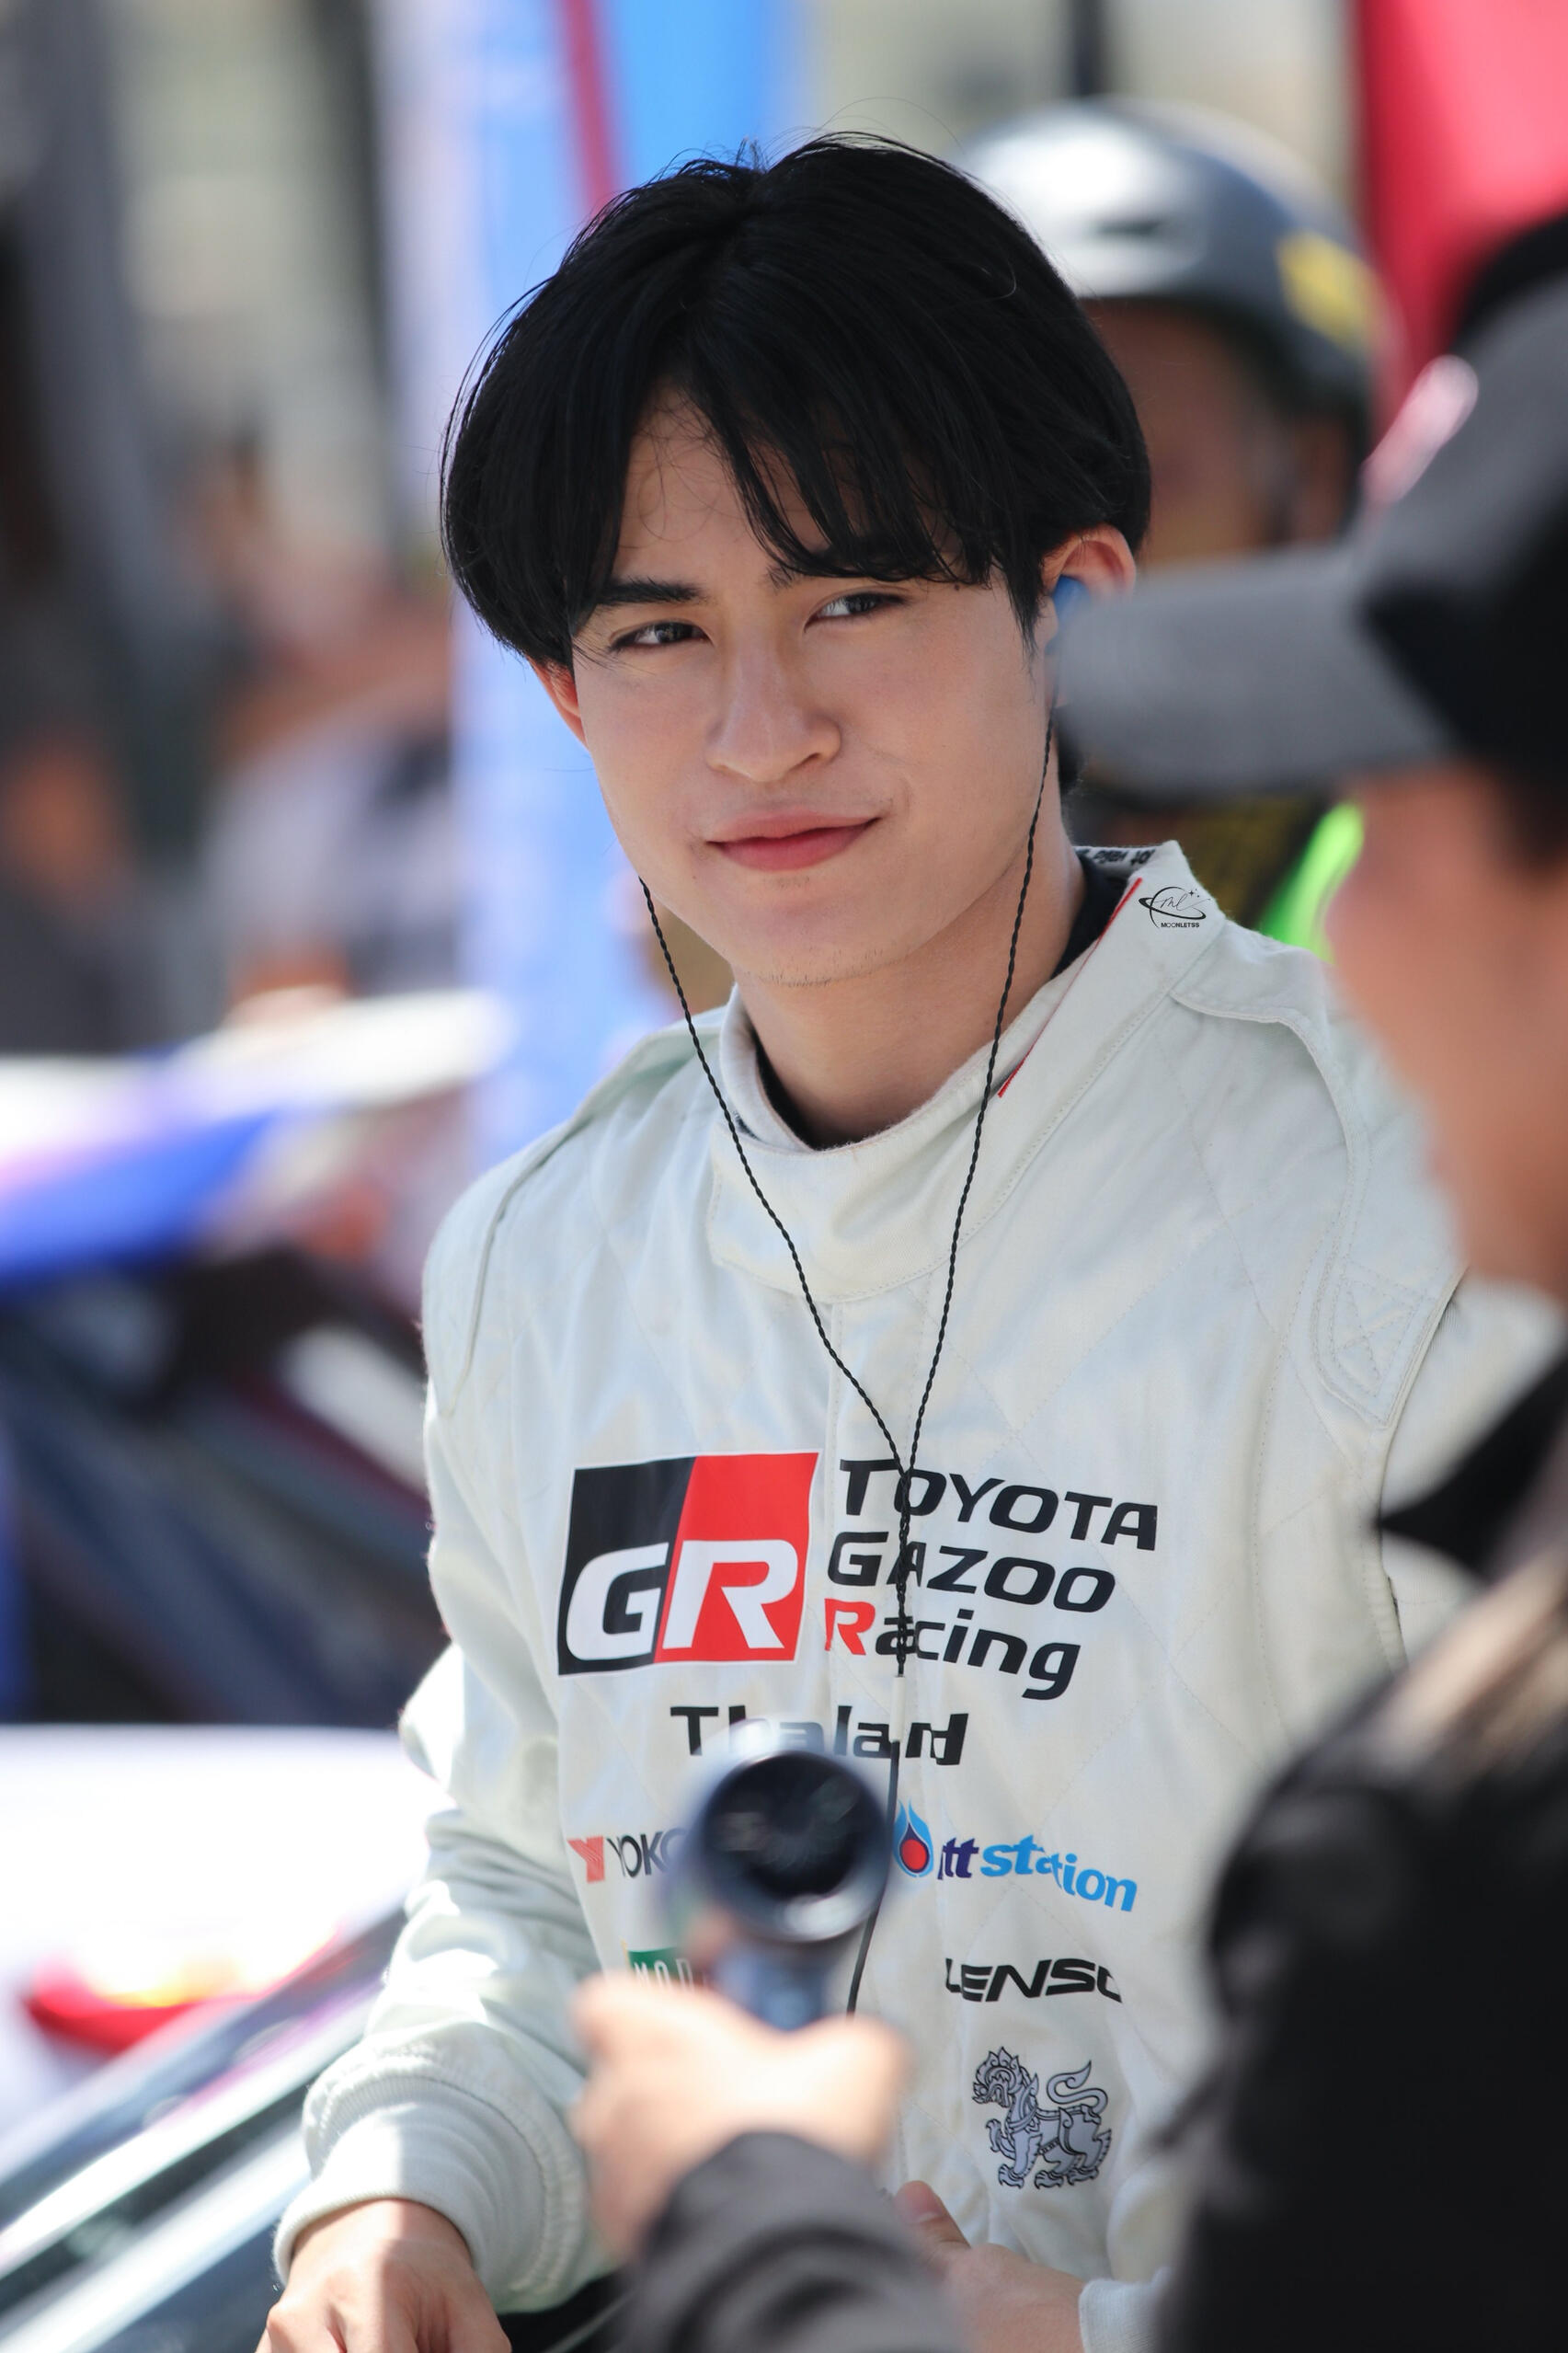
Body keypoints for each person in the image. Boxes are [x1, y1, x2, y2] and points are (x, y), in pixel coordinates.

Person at [260, 140, 1551, 2353]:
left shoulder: (1417, 1184)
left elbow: (1494, 2099)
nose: (761, 730)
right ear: (560, 692)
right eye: (656, 633)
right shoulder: (543, 1254)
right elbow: (522, 1885)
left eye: (852, 599)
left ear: (1079, 608)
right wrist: (404, 2188)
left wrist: (1068, 2325)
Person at [962, 100, 1375, 942]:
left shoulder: (1463, 881)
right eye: (980, 480)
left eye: (1117, 472)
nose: (1055, 547)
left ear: (1312, 476)